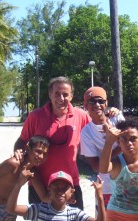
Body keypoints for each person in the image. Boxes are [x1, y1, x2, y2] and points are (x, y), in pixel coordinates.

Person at [14, 76, 118, 210]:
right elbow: (22, 140)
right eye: (57, 94)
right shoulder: (35, 116)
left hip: (70, 184)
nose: (61, 98)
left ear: (72, 96)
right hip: (40, 184)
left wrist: (112, 113)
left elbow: (99, 124)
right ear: (50, 94)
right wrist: (18, 151)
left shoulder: (80, 116)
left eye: (65, 94)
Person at [6, 170, 106, 221]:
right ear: (49, 190)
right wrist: (18, 184)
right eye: (56, 187)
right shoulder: (39, 210)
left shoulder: (74, 214)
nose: (60, 191)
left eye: (65, 188)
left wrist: (100, 197)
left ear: (72, 192)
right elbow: (11, 208)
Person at [80, 86, 125, 211]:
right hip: (107, 186)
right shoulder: (86, 133)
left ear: (106, 103)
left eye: (100, 101)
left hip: (128, 181)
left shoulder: (117, 118)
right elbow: (96, 167)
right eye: (92, 101)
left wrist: (111, 150)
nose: (97, 104)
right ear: (85, 105)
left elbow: (131, 143)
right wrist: (114, 145)